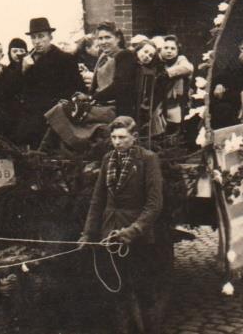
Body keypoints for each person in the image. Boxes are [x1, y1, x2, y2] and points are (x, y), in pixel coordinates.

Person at [79, 116, 169, 333]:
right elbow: (98, 200)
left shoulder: (148, 160)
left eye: (122, 137)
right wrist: (88, 233)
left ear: (134, 137)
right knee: (117, 291)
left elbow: (154, 204)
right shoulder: (108, 159)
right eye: (113, 137)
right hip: (110, 235)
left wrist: (134, 230)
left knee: (143, 291)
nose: (117, 142)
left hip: (138, 238)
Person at [15, 17, 85, 148]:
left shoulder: (65, 59)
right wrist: (23, 69)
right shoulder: (27, 60)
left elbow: (76, 87)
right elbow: (16, 87)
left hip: (53, 114)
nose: (37, 41)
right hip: (30, 114)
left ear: (50, 37)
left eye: (41, 36)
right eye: (34, 38)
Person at [91, 21, 137, 118]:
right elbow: (95, 85)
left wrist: (92, 98)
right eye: (100, 38)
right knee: (66, 108)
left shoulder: (125, 56)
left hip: (116, 109)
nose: (103, 42)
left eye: (108, 37)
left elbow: (119, 86)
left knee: (64, 111)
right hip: (101, 105)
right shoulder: (103, 56)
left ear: (118, 38)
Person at [159, 35, 193, 135]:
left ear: (178, 50)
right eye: (166, 48)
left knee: (175, 128)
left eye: (173, 48)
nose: (169, 51)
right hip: (161, 103)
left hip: (177, 102)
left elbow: (188, 68)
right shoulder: (159, 62)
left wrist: (167, 73)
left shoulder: (180, 59)